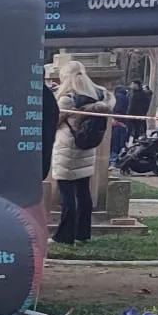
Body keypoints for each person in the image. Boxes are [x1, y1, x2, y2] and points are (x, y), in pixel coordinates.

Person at [51, 60, 111, 245]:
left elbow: (55, 121)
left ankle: (64, 236)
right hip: (87, 148)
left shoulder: (68, 99)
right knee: (83, 192)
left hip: (67, 149)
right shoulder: (99, 96)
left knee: (67, 194)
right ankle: (82, 234)